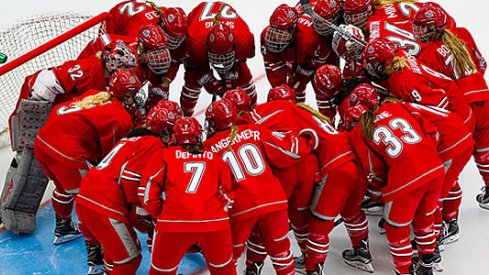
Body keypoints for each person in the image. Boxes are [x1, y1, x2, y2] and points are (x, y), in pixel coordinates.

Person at [239, 88, 370, 274]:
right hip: (351, 160)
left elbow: (251, 131)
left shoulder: (278, 110)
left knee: (308, 222)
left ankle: (304, 268)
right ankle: (361, 250)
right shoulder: (305, 111)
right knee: (349, 212)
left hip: (328, 166)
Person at [205, 99, 316, 275]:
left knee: (227, 257)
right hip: (274, 200)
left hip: (241, 208)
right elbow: (287, 150)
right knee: (281, 251)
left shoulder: (209, 148)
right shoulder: (254, 131)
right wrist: (308, 141)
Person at [33, 70, 140, 245]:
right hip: (67, 154)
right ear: (126, 97)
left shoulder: (96, 94)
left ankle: (64, 228)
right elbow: (108, 159)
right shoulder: (121, 118)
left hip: (43, 143)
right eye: (133, 95)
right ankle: (96, 250)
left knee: (64, 188)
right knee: (88, 200)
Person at [75, 103, 179, 274]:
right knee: (130, 259)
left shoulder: (130, 139)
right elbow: (130, 177)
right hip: (105, 204)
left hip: (87, 197)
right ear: (166, 132)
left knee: (116, 252)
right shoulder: (155, 145)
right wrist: (140, 212)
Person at [346, 99, 445, 275]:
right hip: (434, 168)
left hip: (405, 179)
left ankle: (404, 270)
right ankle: (428, 262)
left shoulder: (358, 132)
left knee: (395, 228)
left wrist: (381, 192)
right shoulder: (394, 106)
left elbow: (373, 171)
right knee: (424, 217)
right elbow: (431, 131)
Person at [412, 4, 489, 210]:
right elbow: (481, 64)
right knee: (484, 152)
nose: (417, 32)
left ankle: (443, 214)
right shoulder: (462, 33)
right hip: (483, 98)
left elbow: (433, 89)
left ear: (433, 29)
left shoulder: (427, 54)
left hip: (462, 110)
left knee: (449, 161)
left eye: (422, 28)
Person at [140, 117, 236, 275]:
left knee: (161, 273)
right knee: (225, 271)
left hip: (172, 224)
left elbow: (147, 193)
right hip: (214, 224)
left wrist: (161, 215)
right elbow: (227, 196)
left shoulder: (164, 155)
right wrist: (212, 217)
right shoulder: (216, 159)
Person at [181, 1, 256, 116]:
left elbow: (241, 63)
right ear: (207, 46)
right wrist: (216, 86)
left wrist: (228, 85)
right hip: (197, 28)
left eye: (226, 55)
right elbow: (195, 68)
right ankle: (184, 115)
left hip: (214, 40)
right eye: (217, 56)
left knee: (241, 75)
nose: (222, 60)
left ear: (235, 45)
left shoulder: (244, 40)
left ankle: (252, 112)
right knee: (193, 81)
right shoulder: (194, 42)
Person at [293, 0, 342, 103]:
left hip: (324, 43)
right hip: (312, 46)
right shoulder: (310, 38)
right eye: (318, 20)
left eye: (323, 22)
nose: (319, 25)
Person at [260, 4, 299, 88]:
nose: (276, 36)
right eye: (274, 29)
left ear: (292, 29)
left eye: (281, 31)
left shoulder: (306, 38)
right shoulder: (265, 36)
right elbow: (276, 78)